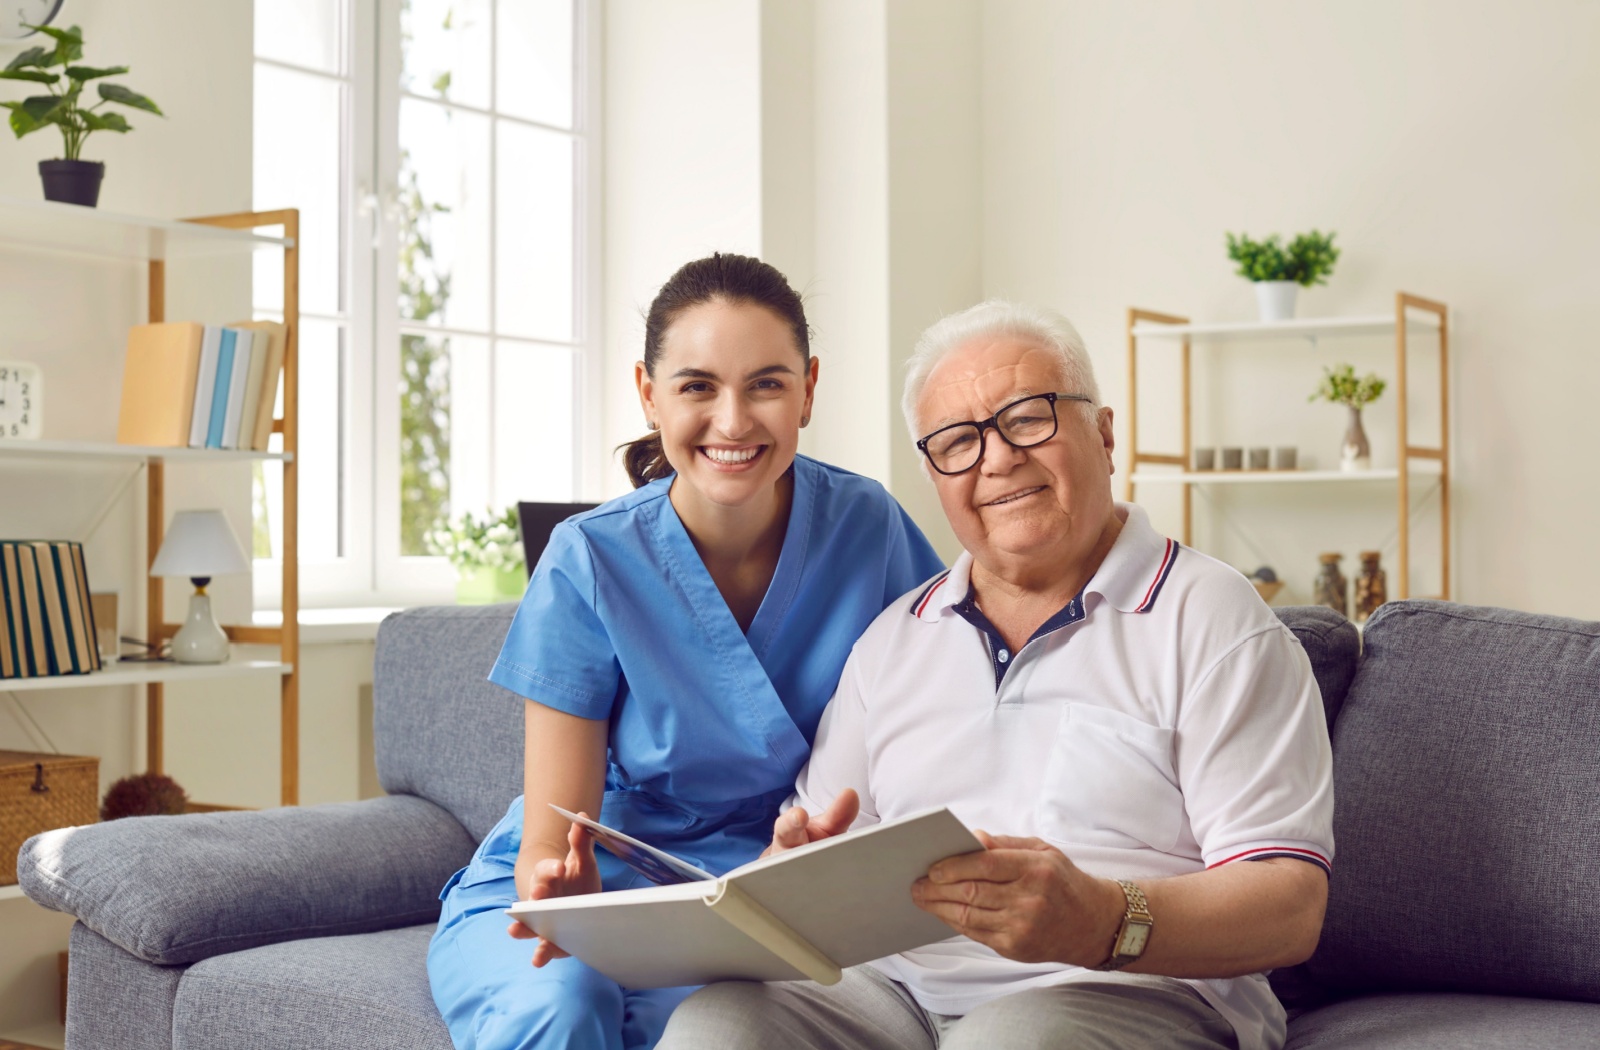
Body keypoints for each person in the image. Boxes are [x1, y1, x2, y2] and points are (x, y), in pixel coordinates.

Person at [658, 301, 1335, 1050]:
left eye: (1028, 418)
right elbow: (820, 848)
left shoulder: (1211, 617)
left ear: (1104, 434)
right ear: (933, 474)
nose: (998, 458)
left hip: (1125, 990)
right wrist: (790, 872)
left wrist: (1105, 919)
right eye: (957, 441)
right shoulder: (893, 640)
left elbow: (1290, 903)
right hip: (894, 996)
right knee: (717, 1024)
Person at [426, 253, 945, 1050]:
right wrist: (556, 889)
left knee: (717, 1029)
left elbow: (943, 711)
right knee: (560, 1008)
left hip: (760, 887)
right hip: (593, 870)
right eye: (697, 386)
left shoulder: (868, 527)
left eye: (766, 384)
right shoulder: (590, 559)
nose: (733, 421)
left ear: (808, 388)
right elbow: (550, 832)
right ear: (649, 393)